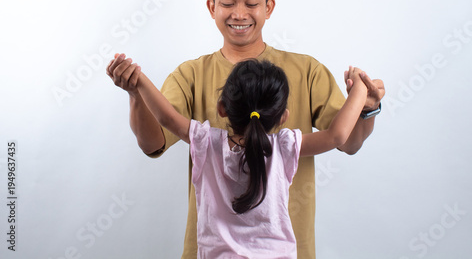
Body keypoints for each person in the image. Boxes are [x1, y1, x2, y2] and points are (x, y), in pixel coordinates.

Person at [106, 0, 385, 258]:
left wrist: (368, 109)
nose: (239, 13)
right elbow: (152, 142)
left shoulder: (307, 71)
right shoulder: (190, 75)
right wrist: (135, 97)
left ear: (269, 7)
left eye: (251, 3)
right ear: (212, 7)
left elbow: (351, 143)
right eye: (228, 3)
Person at [125, 57, 368, 258]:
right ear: (283, 116)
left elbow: (166, 118)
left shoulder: (206, 142)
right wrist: (359, 89)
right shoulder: (285, 147)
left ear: (222, 108)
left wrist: (137, 82)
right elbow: (338, 136)